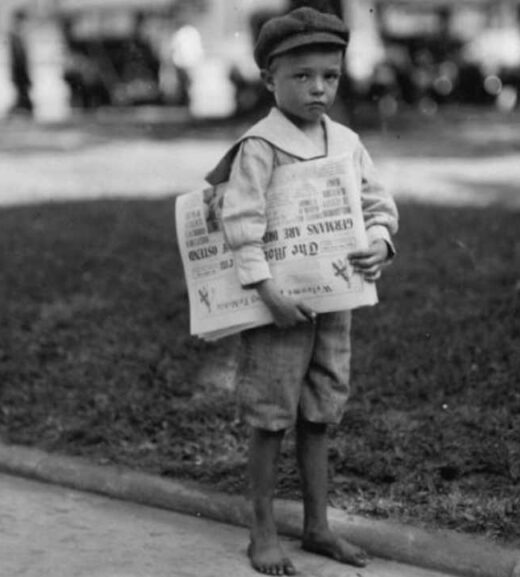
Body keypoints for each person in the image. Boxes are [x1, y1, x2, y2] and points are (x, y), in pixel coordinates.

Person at [202, 7, 398, 575]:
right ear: (269, 79)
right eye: (302, 76)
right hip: (277, 309)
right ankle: (262, 532)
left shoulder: (345, 140)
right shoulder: (261, 145)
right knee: (270, 415)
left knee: (320, 412)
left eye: (330, 76)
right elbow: (241, 223)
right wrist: (267, 291)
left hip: (334, 303)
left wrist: (381, 241)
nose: (318, 88)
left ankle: (318, 527)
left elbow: (377, 205)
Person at [8, 8, 34, 116]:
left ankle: (24, 108)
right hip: (20, 70)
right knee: (23, 93)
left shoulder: (19, 35)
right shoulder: (15, 36)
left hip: (21, 70)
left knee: (23, 93)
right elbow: (18, 58)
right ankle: (24, 109)